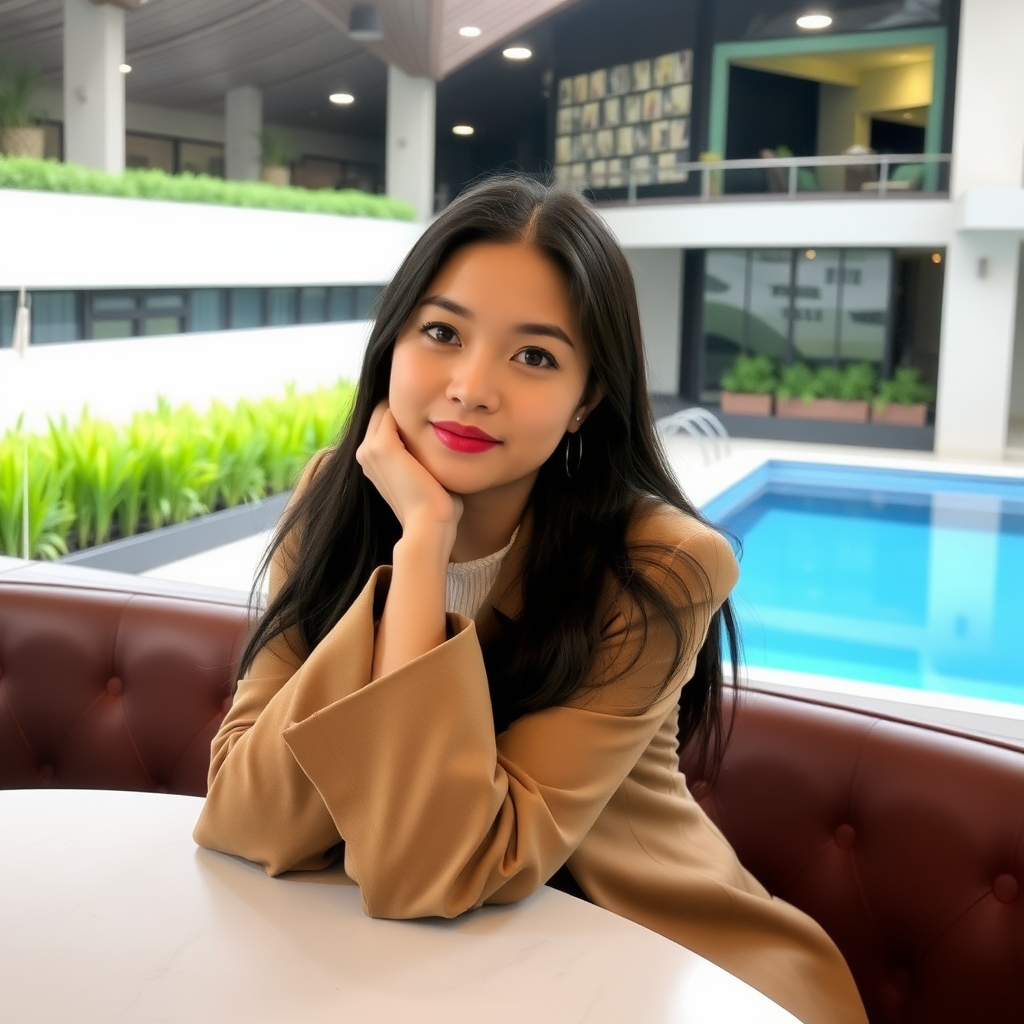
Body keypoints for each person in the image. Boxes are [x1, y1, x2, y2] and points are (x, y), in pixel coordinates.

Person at [193, 175, 867, 1024]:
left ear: (587, 398)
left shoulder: (660, 566)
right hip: (417, 976)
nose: (473, 387)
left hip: (667, 971)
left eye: (535, 355)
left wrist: (426, 556)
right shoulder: (332, 500)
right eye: (442, 331)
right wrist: (418, 544)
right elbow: (242, 814)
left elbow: (430, 869)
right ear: (391, 344)